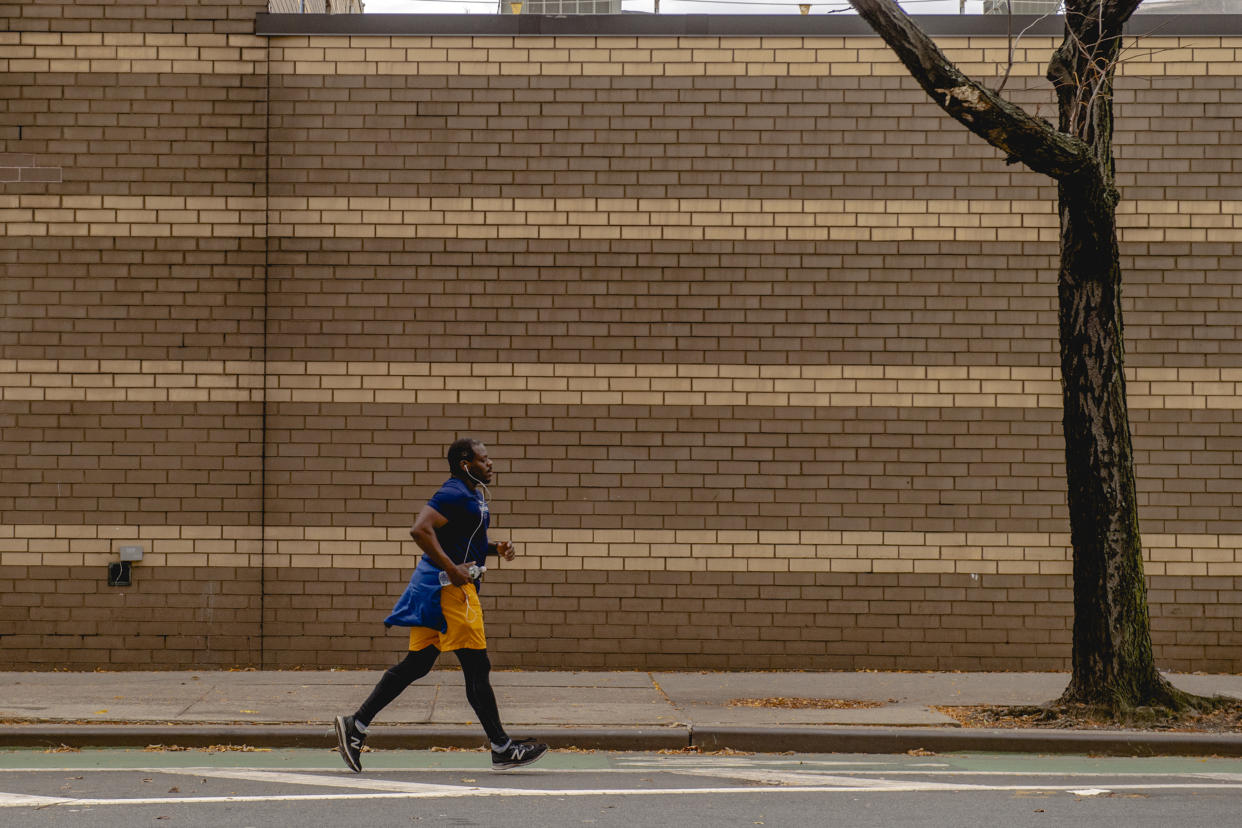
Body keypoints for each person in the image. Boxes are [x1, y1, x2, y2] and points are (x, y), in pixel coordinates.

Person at [334, 438, 548, 772]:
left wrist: (494, 548)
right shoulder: (452, 493)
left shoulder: (471, 496)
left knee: (417, 664)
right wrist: (452, 568)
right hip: (451, 594)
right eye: (484, 459)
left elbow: (458, 539)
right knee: (477, 668)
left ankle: (355, 725)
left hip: (437, 589)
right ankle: (502, 748)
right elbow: (420, 529)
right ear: (466, 463)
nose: (490, 464)